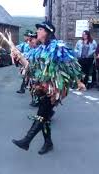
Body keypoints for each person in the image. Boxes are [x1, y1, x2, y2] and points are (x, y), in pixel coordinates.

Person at [12, 21, 85, 155]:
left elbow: (70, 64)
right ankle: (48, 143)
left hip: (54, 90)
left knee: (41, 115)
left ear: (47, 32)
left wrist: (79, 82)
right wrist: (18, 56)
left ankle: (26, 141)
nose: (37, 32)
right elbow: (29, 64)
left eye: (40, 29)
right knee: (45, 117)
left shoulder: (57, 46)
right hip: (42, 87)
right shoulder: (40, 49)